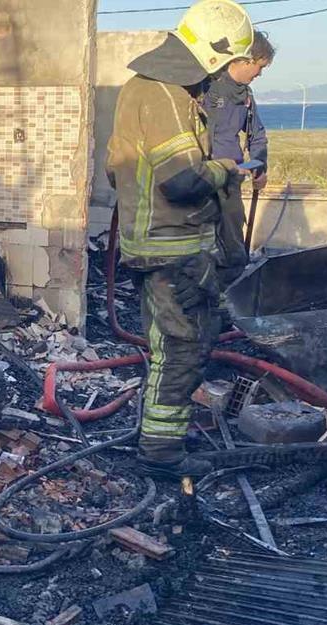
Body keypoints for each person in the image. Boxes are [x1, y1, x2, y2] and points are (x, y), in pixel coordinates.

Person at [106, 0, 254, 477]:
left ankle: (162, 434)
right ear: (214, 55)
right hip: (176, 250)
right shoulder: (167, 95)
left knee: (173, 347)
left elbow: (119, 173)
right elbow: (182, 179)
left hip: (158, 246)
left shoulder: (142, 90)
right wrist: (225, 168)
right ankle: (161, 454)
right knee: (182, 348)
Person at [202, 31, 274, 256]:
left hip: (231, 180)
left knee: (233, 242)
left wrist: (259, 168)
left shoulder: (246, 96)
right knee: (202, 246)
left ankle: (233, 284)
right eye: (259, 67)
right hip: (202, 180)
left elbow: (257, 134)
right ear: (245, 60)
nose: (260, 74)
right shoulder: (206, 87)